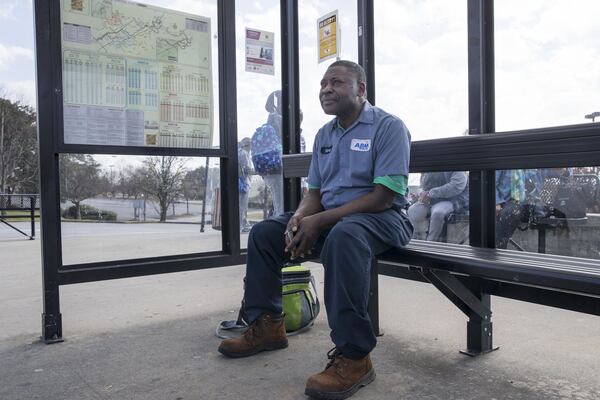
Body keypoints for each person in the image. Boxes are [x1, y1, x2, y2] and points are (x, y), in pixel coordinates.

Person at [218, 60, 413, 400]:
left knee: (344, 236)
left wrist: (320, 220)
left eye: (336, 82)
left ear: (360, 90)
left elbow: (384, 197)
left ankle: (355, 356)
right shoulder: (325, 135)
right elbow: (314, 195)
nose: (326, 89)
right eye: (323, 84)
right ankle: (268, 325)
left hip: (383, 218)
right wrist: (300, 218)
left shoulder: (388, 127)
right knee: (265, 233)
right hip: (337, 220)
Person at [408, 171, 469, 242]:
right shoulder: (428, 168)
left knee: (438, 212)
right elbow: (422, 186)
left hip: (453, 200)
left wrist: (430, 194)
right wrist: (421, 194)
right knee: (412, 210)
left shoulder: (458, 169)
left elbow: (456, 187)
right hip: (431, 200)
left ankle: (431, 242)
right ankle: (415, 239)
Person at [262, 90, 284, 217]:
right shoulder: (277, 119)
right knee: (280, 204)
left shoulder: (270, 118)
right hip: (277, 166)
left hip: (270, 166)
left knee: (277, 202)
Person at [238, 137, 254, 232]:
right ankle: (241, 226)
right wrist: (258, 171)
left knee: (240, 205)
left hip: (239, 182)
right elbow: (247, 169)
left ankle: (242, 224)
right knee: (242, 206)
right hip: (243, 183)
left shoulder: (238, 152)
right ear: (248, 145)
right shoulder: (244, 153)